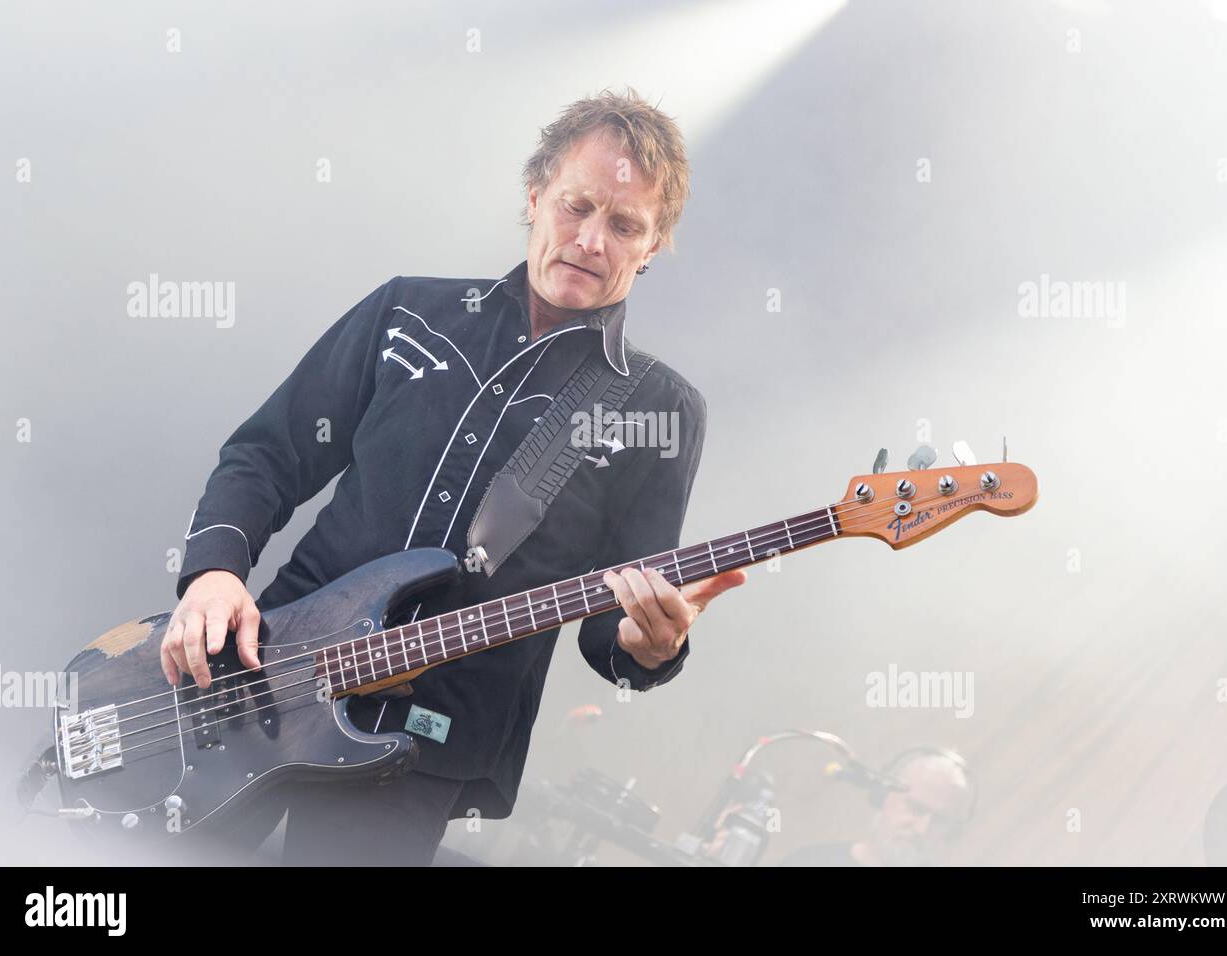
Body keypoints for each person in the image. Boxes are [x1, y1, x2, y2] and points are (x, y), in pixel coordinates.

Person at [160, 87, 747, 865]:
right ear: (535, 196)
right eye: (577, 206)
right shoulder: (409, 312)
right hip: (267, 676)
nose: (591, 239)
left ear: (653, 245)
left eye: (625, 225)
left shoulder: (660, 408)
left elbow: (617, 618)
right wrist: (211, 576)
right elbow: (268, 454)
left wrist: (647, 645)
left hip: (418, 749)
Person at [780, 749, 976, 867]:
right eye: (915, 808)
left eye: (940, 821)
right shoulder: (809, 862)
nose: (921, 829)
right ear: (882, 796)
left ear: (953, 833)